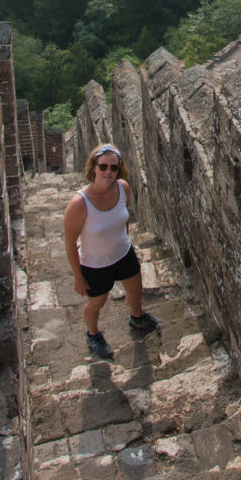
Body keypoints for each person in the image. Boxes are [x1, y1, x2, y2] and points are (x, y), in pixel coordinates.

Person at [64, 142, 161, 359]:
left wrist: (125, 241)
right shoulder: (79, 203)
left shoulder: (123, 188)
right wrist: (78, 277)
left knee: (136, 290)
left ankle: (137, 318)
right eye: (103, 166)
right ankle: (93, 334)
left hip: (123, 253)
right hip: (95, 263)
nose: (109, 172)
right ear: (93, 168)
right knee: (96, 304)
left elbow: (123, 218)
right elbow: (70, 243)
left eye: (114, 168)